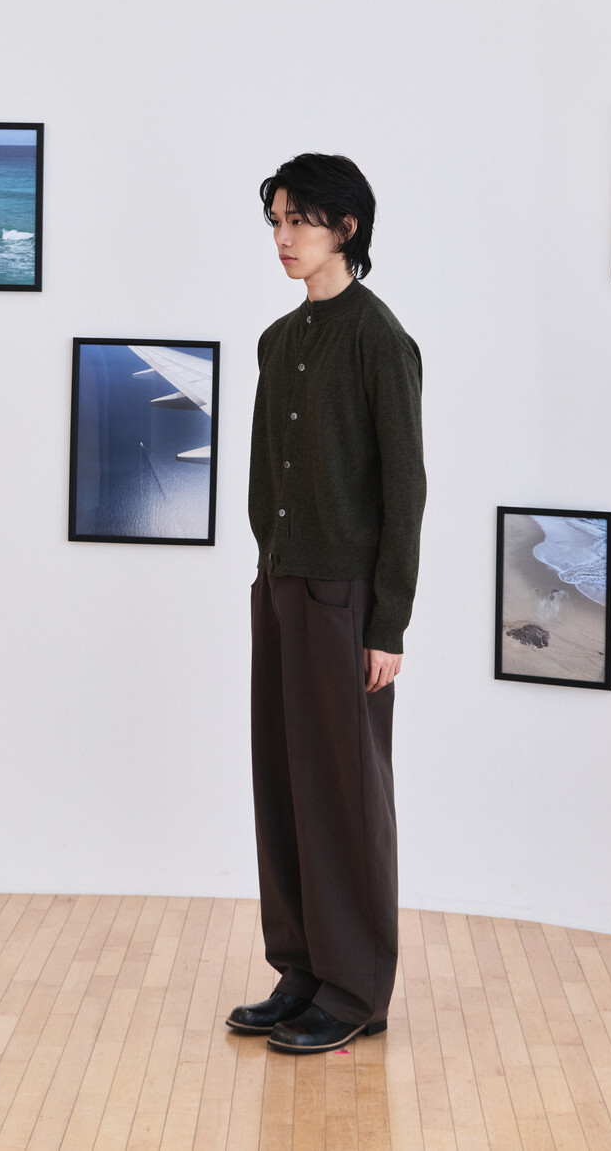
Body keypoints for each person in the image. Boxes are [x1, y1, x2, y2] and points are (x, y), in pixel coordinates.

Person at [226, 153, 426, 1054]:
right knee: (284, 781)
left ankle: (354, 987)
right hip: (280, 589)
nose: (283, 236)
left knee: (344, 795)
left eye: (299, 219)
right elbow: (265, 470)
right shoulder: (278, 340)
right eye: (276, 220)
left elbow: (406, 490)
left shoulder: (380, 339)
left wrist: (388, 621)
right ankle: (301, 969)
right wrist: (269, 569)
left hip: (346, 602)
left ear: (345, 227)